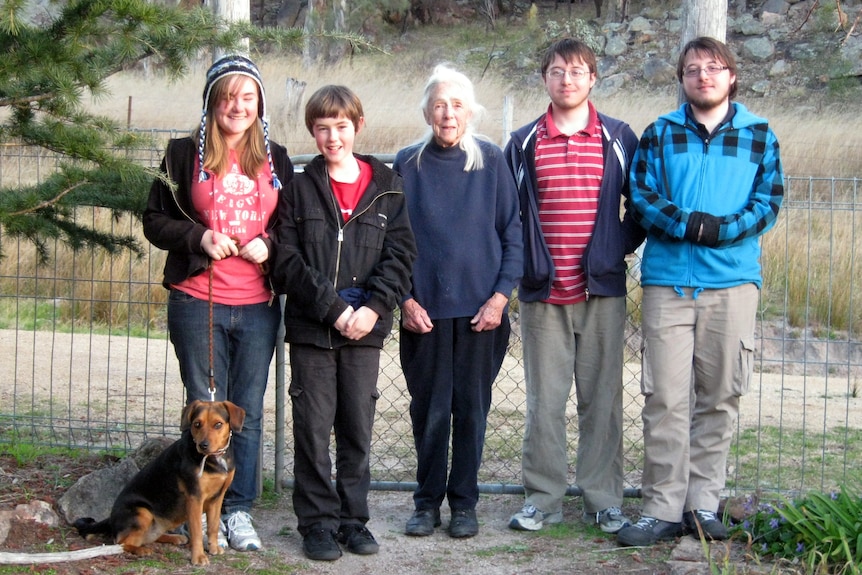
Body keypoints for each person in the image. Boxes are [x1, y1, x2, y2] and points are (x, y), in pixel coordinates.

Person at [616, 37, 784, 547]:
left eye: (714, 68)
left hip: (731, 284)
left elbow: (768, 201)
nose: (704, 76)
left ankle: (703, 505)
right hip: (669, 283)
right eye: (693, 69)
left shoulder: (758, 135)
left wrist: (723, 230)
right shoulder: (660, 134)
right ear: (682, 79)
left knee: (720, 397)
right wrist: (691, 226)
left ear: (731, 76)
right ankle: (662, 507)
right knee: (664, 398)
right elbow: (641, 196)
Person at [143, 54, 293, 552]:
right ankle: (199, 512)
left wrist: (269, 245)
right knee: (202, 414)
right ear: (211, 101)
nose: (236, 106)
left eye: (246, 97)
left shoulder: (278, 158)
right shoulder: (182, 154)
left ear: (259, 103)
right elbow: (154, 220)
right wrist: (199, 237)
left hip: (256, 305)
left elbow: (290, 227)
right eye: (226, 96)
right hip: (197, 301)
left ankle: (238, 510)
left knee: (243, 413)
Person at [503, 38, 645, 534]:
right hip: (543, 293)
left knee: (602, 400)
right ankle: (541, 499)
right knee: (545, 403)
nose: (568, 80)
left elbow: (642, 207)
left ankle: (603, 499)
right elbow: (509, 217)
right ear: (544, 78)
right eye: (558, 71)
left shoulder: (619, 137)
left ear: (593, 79)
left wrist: (613, 249)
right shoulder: (522, 143)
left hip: (601, 293)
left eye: (578, 71)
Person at [269, 85, 416, 561]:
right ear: (312, 131)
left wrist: (374, 308)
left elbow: (400, 256)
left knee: (356, 427)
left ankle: (353, 521)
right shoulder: (297, 188)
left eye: (341, 127)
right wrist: (332, 309)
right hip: (314, 329)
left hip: (364, 332)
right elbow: (286, 260)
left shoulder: (388, 187)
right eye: (322, 128)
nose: (332, 137)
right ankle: (316, 523)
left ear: (358, 126)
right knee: (312, 429)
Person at [394, 65, 523, 539]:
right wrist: (404, 301)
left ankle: (464, 504)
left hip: (480, 316)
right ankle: (426, 503)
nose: (448, 114)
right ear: (427, 110)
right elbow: (392, 241)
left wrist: (499, 298)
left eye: (457, 105)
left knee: (471, 410)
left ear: (470, 111)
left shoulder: (491, 159)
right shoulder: (408, 163)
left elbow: (513, 233)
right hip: (423, 314)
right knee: (429, 411)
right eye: (439, 105)